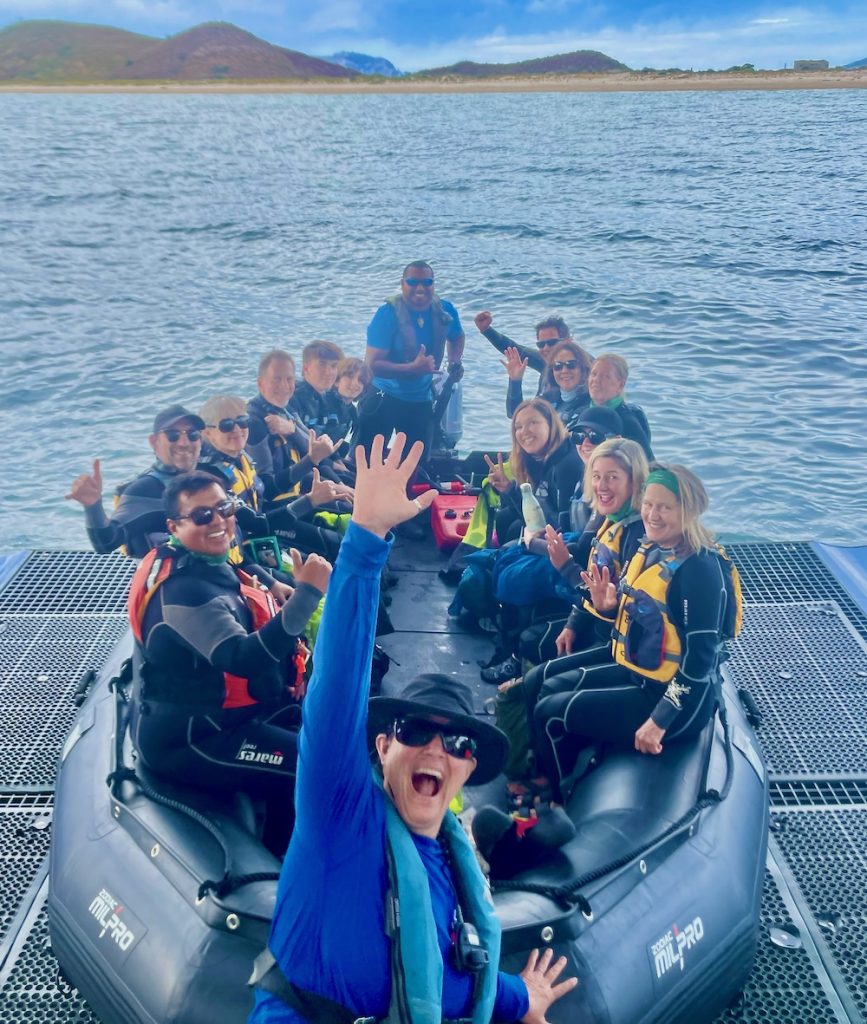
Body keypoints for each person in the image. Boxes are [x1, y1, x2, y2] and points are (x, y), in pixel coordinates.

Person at [249, 434, 577, 1024]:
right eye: (414, 732)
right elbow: (336, 691)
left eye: (457, 743)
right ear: (382, 746)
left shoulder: (449, 864)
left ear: (468, 768)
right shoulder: (340, 811)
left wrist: (524, 998)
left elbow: (456, 972)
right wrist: (367, 537)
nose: (436, 749)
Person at [128, 471, 331, 855]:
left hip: (225, 712)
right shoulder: (183, 595)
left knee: (328, 729)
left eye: (225, 508)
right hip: (193, 738)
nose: (219, 521)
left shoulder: (195, 558)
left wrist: (272, 583)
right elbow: (244, 660)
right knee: (313, 770)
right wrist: (308, 594)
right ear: (174, 526)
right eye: (203, 516)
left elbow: (234, 572)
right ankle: (283, 864)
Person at [528, 464, 738, 803]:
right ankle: (545, 778)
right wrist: (608, 607)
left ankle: (556, 800)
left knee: (551, 713)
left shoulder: (699, 570)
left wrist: (660, 720)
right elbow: (639, 619)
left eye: (665, 507)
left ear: (689, 510)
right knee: (543, 686)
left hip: (673, 701)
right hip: (638, 675)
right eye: (648, 504)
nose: (653, 515)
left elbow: (701, 658)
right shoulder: (652, 548)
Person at [357, 260, 465, 464]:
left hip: (420, 399)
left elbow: (457, 336)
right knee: (366, 462)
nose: (421, 288)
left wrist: (454, 362)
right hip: (382, 397)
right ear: (402, 284)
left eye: (427, 282)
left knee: (416, 464)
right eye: (413, 282)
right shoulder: (386, 314)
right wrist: (412, 368)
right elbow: (372, 365)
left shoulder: (445, 310)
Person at [65, 404, 205, 558]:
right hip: (173, 580)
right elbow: (106, 542)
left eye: (192, 434)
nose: (184, 443)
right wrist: (93, 506)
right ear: (154, 442)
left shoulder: (205, 478)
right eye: (173, 435)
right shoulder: (145, 490)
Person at [483, 399, 583, 545]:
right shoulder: (535, 460)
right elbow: (533, 515)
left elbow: (558, 526)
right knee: (505, 517)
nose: (524, 431)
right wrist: (508, 489)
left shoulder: (566, 464)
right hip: (549, 533)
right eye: (518, 427)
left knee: (514, 530)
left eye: (533, 423)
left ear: (551, 424)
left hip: (565, 545)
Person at [475, 311, 592, 417]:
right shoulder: (547, 366)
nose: (546, 348)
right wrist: (515, 380)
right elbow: (515, 415)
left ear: (568, 342)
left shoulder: (590, 369)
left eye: (552, 342)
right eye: (541, 344)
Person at [587, 353, 653, 459]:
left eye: (606, 376)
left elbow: (648, 463)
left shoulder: (627, 421)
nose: (596, 380)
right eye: (594, 374)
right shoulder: (584, 412)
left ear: (621, 384)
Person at [290, 340, 346, 442]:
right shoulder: (292, 398)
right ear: (306, 368)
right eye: (322, 364)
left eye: (333, 366)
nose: (328, 372)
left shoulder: (331, 398)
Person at [333, 355, 371, 447]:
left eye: (360, 380)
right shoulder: (324, 403)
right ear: (336, 380)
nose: (355, 383)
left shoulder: (353, 412)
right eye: (349, 377)